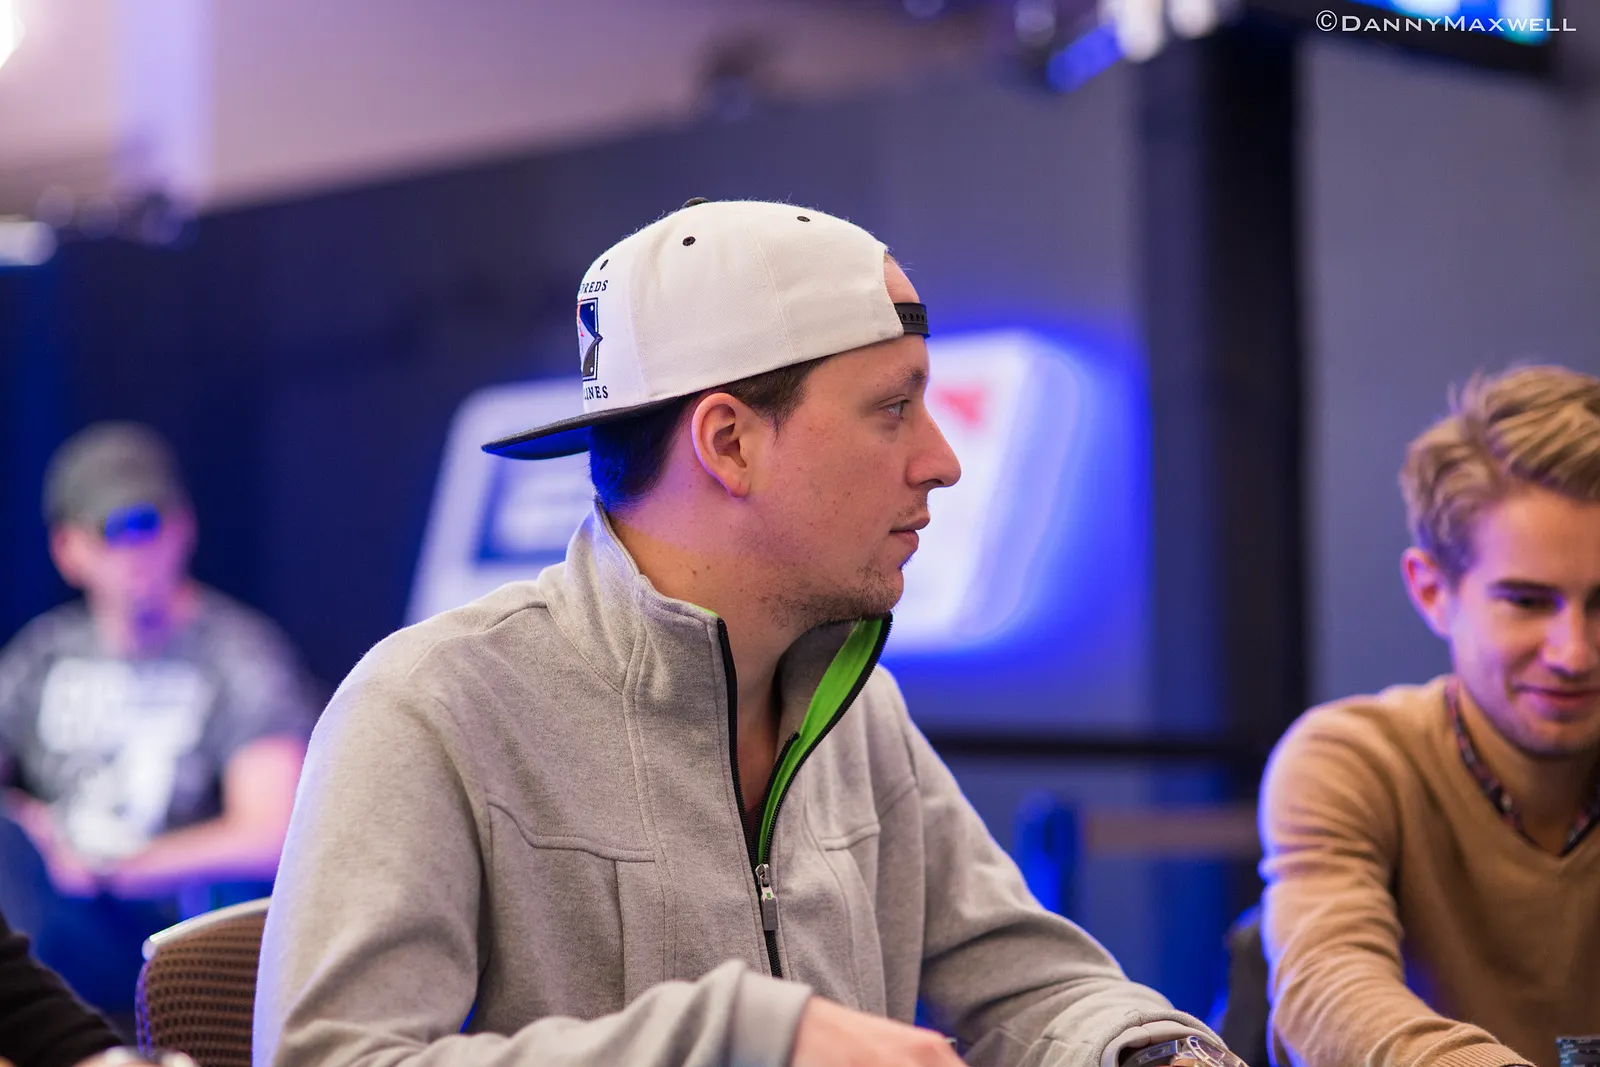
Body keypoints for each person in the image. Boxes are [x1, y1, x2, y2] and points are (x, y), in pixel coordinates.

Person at [255, 199, 1248, 1067]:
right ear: (729, 442)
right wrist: (743, 1039)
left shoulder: (859, 710)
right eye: (894, 408)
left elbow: (1033, 986)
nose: (942, 459)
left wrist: (1155, 1053)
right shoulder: (433, 703)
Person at [1259, 364, 1600, 1067]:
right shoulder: (1355, 758)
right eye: (1527, 601)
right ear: (1432, 591)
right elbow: (1325, 989)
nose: (1574, 652)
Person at [0, 422, 319, 1019]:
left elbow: (272, 833)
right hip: (48, 922)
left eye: (148, 523)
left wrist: (111, 870)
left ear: (184, 528)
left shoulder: (236, 654)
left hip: (168, 935)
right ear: (67, 550)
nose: (135, 550)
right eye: (111, 529)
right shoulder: (44, 653)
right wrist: (29, 828)